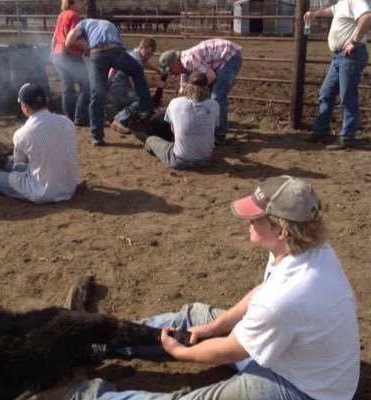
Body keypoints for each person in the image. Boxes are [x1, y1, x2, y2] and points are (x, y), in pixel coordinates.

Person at [67, 175, 360, 400]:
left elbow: (229, 350)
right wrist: (214, 326)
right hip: (296, 357)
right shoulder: (304, 247)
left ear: (281, 230)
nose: (247, 221)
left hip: (305, 390)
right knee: (196, 317)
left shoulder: (285, 298)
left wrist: (180, 352)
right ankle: (101, 341)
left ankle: (91, 395)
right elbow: (263, 289)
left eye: (256, 218)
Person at [0, 83, 79, 203]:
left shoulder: (22, 134)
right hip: (70, 185)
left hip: (43, 191)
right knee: (15, 163)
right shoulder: (67, 122)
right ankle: (2, 164)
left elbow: (20, 161)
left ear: (25, 107)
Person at [65, 19, 153, 147]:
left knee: (96, 94)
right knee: (137, 70)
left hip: (97, 55)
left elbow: (72, 34)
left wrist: (65, 49)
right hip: (115, 51)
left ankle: (96, 136)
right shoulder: (110, 26)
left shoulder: (83, 24)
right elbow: (118, 56)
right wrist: (109, 79)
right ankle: (146, 108)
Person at [304, 0, 371, 150]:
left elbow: (366, 17)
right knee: (326, 93)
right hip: (340, 56)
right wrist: (315, 14)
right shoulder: (343, 2)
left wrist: (353, 42)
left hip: (350, 55)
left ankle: (347, 137)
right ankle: (320, 132)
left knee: (347, 96)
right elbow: (332, 10)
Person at [158, 38, 242, 146]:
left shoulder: (188, 60)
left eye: (170, 71)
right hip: (218, 61)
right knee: (205, 96)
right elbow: (183, 88)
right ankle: (212, 127)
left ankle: (219, 136)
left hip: (229, 57)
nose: (171, 74)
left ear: (175, 64)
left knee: (217, 97)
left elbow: (211, 76)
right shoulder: (183, 67)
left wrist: (196, 94)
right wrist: (178, 106)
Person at [131, 72, 219, 169]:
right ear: (206, 88)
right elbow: (214, 128)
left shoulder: (176, 103)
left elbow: (172, 129)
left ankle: (150, 143)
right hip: (206, 160)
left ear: (188, 87)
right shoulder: (214, 105)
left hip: (180, 160)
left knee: (151, 140)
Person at [108, 37, 163, 134]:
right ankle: (119, 119)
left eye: (151, 55)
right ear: (141, 47)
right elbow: (136, 85)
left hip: (114, 87)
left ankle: (116, 110)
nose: (148, 56)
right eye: (147, 54)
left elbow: (144, 62)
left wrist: (156, 70)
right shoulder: (137, 60)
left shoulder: (134, 52)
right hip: (120, 89)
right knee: (142, 100)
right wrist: (156, 84)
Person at [52, 0, 90, 126]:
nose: (84, 3)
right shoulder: (74, 15)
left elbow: (55, 36)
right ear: (74, 2)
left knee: (67, 87)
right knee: (87, 85)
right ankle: (80, 116)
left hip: (59, 53)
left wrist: (52, 51)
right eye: (82, 1)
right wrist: (89, 48)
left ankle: (69, 116)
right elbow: (74, 38)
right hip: (70, 55)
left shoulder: (62, 14)